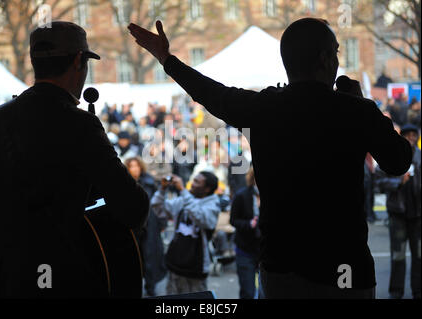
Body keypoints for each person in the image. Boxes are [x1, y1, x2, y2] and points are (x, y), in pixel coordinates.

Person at [128, 18, 412, 298]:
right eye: (336, 52)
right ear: (326, 59)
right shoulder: (356, 111)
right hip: (343, 267)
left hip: (281, 267)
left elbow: (210, 92)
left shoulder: (262, 108)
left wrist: (166, 58)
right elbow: (398, 161)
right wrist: (363, 107)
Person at [0, 21, 149, 298]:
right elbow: (133, 207)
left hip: (1, 281)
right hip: (58, 282)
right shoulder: (77, 123)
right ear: (79, 60)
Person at [150, 172, 220, 295]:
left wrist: (183, 190)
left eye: (197, 182)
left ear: (207, 189)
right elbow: (158, 208)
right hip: (175, 265)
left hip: (195, 269)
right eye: (193, 180)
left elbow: (201, 217)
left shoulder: (212, 205)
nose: (192, 184)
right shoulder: (184, 199)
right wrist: (162, 189)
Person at [375, 123, 421, 299]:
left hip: (417, 215)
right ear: (402, 137)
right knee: (398, 255)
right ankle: (396, 291)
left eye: (413, 135)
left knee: (419, 256)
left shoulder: (420, 157)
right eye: (407, 135)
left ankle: (418, 290)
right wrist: (398, 182)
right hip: (398, 214)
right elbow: (379, 181)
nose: (411, 138)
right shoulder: (393, 155)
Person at [125, 157, 167, 297]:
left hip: (150, 226)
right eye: (131, 166)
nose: (135, 169)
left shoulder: (149, 183)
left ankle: (151, 286)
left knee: (151, 257)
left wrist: (162, 223)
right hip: (132, 227)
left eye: (137, 166)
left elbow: (158, 205)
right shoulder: (124, 183)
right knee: (134, 259)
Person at [230, 167, 261, 299]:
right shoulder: (242, 195)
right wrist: (249, 224)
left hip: (264, 253)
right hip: (245, 251)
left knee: (265, 293)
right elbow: (233, 220)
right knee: (248, 292)